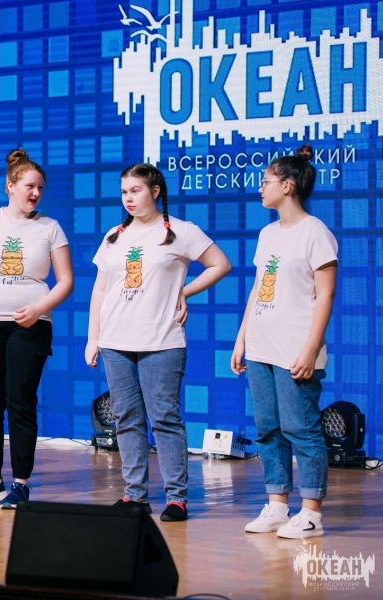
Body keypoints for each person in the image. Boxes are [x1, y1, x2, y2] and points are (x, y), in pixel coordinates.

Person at [85, 163, 230, 521]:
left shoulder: (180, 231)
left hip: (162, 339)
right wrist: (93, 337)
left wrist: (185, 291)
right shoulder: (114, 236)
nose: (128, 198)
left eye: (135, 190)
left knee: (164, 417)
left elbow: (220, 264)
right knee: (126, 417)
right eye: (124, 192)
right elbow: (100, 289)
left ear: (155, 191)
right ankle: (134, 495)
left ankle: (176, 497)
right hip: (115, 340)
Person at [0, 148, 73, 509]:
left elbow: (66, 281)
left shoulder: (50, 227)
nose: (35, 193)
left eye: (40, 188)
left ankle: (21, 483)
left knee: (21, 402)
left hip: (31, 326)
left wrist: (39, 309)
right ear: (10, 186)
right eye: (28, 186)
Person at [232, 148, 336, 539]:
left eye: (266, 181)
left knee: (301, 428)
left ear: (288, 185)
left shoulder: (316, 232)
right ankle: (277, 505)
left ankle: (311, 513)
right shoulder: (267, 234)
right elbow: (259, 288)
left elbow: (325, 295)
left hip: (295, 348)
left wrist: (310, 348)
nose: (260, 188)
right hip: (261, 345)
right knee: (268, 429)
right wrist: (242, 338)